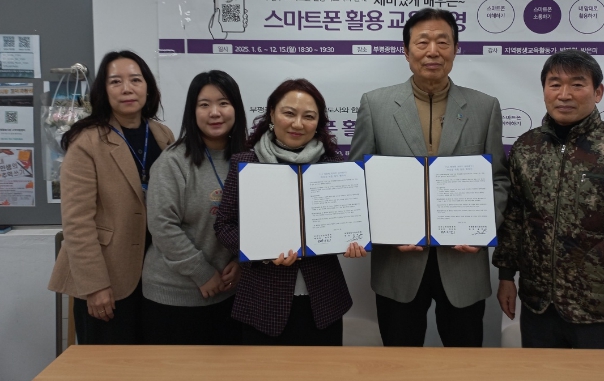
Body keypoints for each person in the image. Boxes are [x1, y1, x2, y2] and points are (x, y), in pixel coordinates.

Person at [492, 49, 604, 349]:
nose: (564, 94)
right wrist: (505, 275)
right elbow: (515, 219)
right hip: (539, 307)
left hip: (602, 311)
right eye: (555, 84)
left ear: (597, 91)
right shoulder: (527, 148)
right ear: (544, 90)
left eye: (577, 84)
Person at [349, 8, 510, 347]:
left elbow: (498, 180)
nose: (433, 51)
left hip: (463, 260)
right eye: (422, 42)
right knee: (400, 363)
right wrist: (383, 231)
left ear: (456, 49)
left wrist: (482, 228)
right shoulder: (375, 105)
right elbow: (357, 181)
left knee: (465, 362)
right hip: (398, 262)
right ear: (406, 52)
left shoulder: (485, 107)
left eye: (443, 42)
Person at [214, 78, 366, 346]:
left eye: (309, 116)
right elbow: (224, 225)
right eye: (289, 113)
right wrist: (262, 251)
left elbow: (346, 224)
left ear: (318, 123)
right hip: (262, 302)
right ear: (272, 114)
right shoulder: (245, 163)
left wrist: (353, 239)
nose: (298, 124)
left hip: (324, 301)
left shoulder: (334, 167)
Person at [48, 50, 175, 344]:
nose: (127, 88)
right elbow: (77, 222)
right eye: (116, 81)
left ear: (148, 87)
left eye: (135, 80)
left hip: (157, 274)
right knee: (109, 363)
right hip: (109, 275)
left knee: (153, 361)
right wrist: (95, 286)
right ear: (103, 91)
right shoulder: (87, 140)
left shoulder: (163, 135)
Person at [141, 71, 247, 345]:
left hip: (228, 294)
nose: (215, 112)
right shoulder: (173, 162)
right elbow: (162, 226)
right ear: (192, 111)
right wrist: (203, 273)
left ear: (236, 108)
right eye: (204, 104)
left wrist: (241, 262)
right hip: (174, 297)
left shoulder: (249, 160)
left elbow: (256, 223)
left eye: (223, 103)